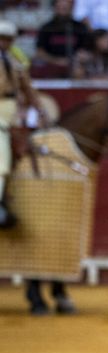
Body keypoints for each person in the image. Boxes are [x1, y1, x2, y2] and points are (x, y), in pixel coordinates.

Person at [0, 20, 45, 230]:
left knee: (23, 147)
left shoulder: (15, 62)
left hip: (10, 106)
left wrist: (42, 112)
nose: (4, 43)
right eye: (1, 38)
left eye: (7, 39)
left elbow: (28, 88)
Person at [32, 0, 94, 77]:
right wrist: (57, 61)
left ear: (71, 8)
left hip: (75, 67)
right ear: (54, 7)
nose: (62, 11)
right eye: (60, 7)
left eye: (65, 8)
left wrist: (77, 59)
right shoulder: (46, 28)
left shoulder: (80, 28)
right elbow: (40, 52)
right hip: (51, 68)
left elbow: (87, 51)